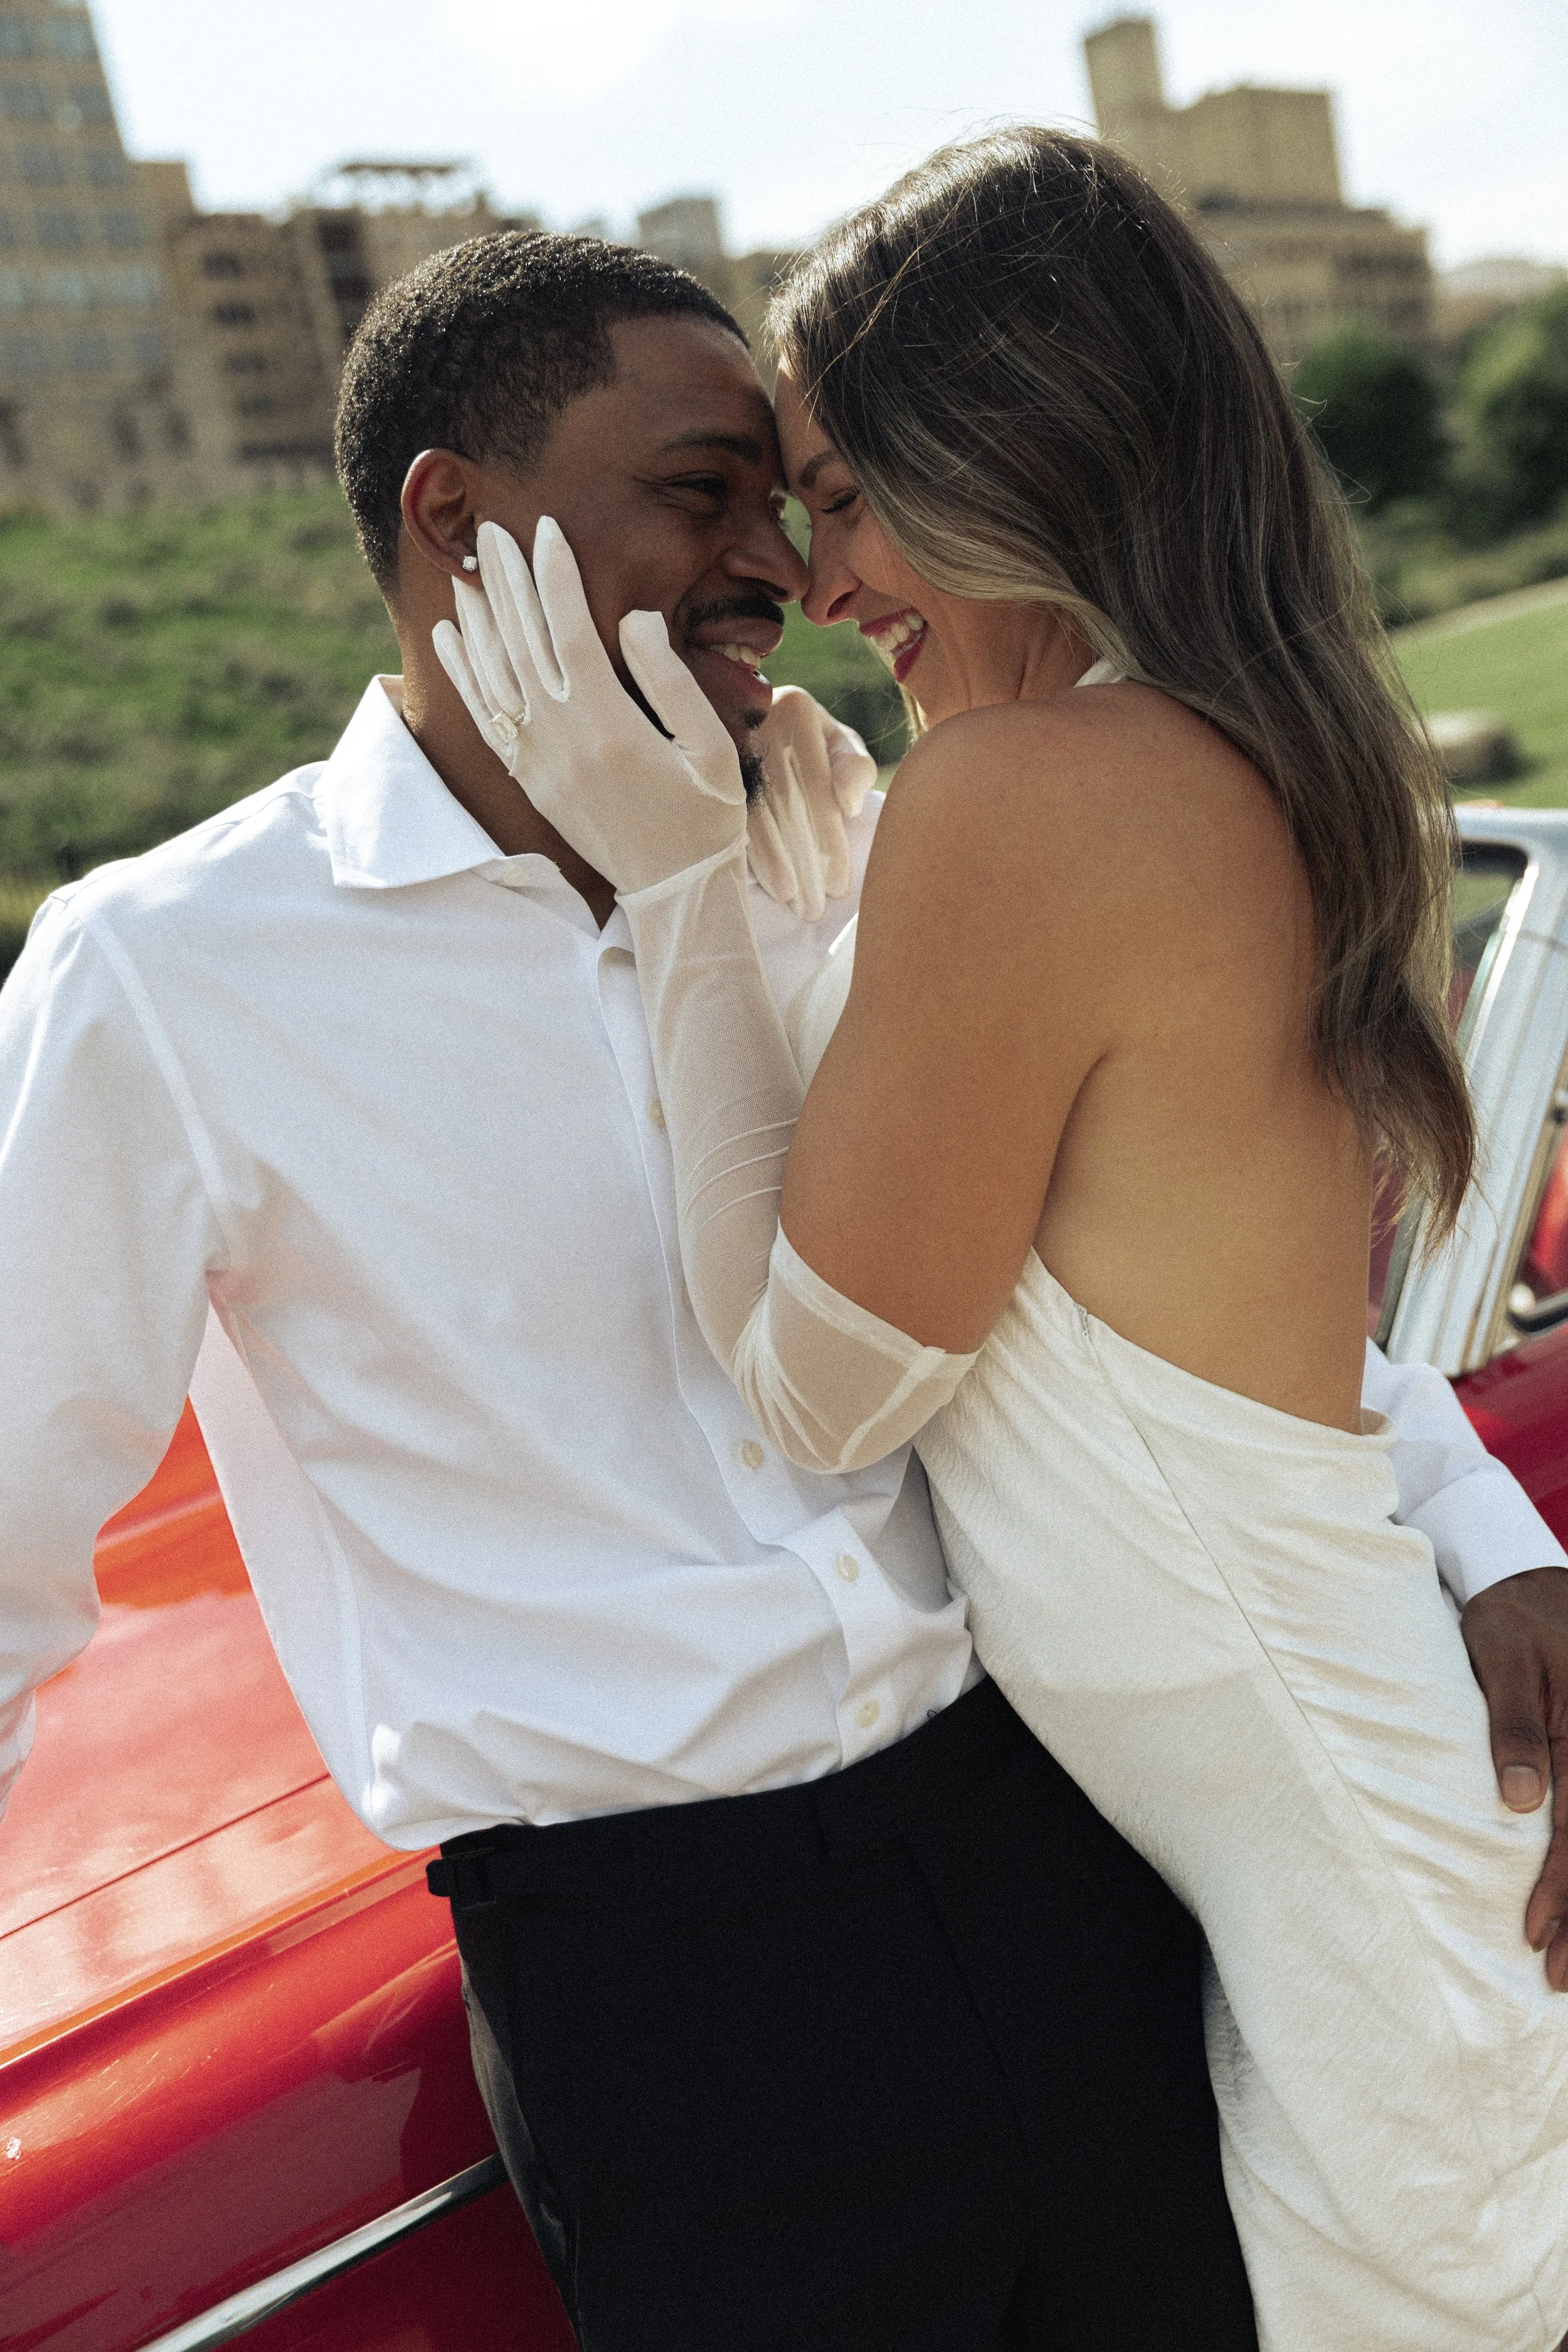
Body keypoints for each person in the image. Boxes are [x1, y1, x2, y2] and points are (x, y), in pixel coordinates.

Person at [0, 230, 1562, 2352]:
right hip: (675, 1995)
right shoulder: (169, 971)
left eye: (792, 496)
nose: (778, 566)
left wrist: (1482, 1533)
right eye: (702, 491)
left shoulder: (848, 834)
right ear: (456, 524)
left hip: (1060, 1850)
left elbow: (1152, 1283)